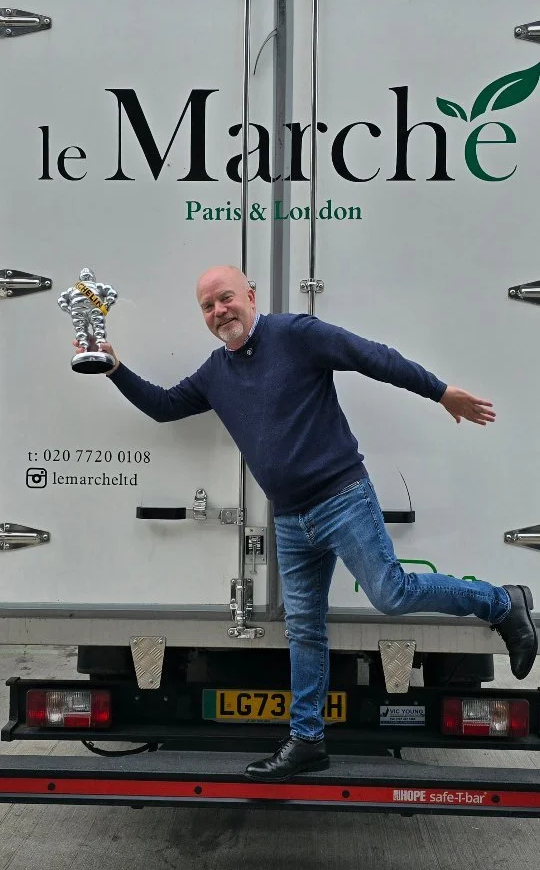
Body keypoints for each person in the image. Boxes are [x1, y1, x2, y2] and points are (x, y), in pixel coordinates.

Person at [76, 265, 537, 782]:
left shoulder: (296, 334)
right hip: (291, 519)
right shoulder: (215, 373)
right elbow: (163, 407)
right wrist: (113, 367)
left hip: (342, 498)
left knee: (392, 593)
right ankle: (307, 741)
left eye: (226, 298)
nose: (219, 311)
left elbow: (373, 357)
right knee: (305, 631)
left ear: (250, 295)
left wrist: (440, 392)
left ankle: (502, 602)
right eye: (207, 306)